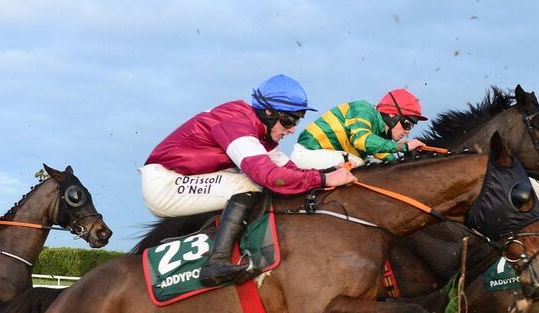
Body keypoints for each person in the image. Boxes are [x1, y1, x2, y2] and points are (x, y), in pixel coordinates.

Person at [140, 74, 356, 287]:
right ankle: (216, 263)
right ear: (269, 112)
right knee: (248, 185)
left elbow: (291, 171)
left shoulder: (258, 133)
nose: (292, 129)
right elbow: (271, 177)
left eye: (297, 120)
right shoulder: (235, 124)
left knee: (261, 184)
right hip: (165, 184)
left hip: (184, 179)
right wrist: (324, 178)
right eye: (289, 120)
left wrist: (328, 172)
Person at [291, 88, 428, 169]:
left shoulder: (380, 134)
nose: (408, 131)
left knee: (377, 168)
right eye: (407, 124)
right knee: (360, 165)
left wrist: (409, 161)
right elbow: (361, 140)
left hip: (327, 156)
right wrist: (402, 147)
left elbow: (390, 162)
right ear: (393, 115)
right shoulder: (363, 109)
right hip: (308, 153)